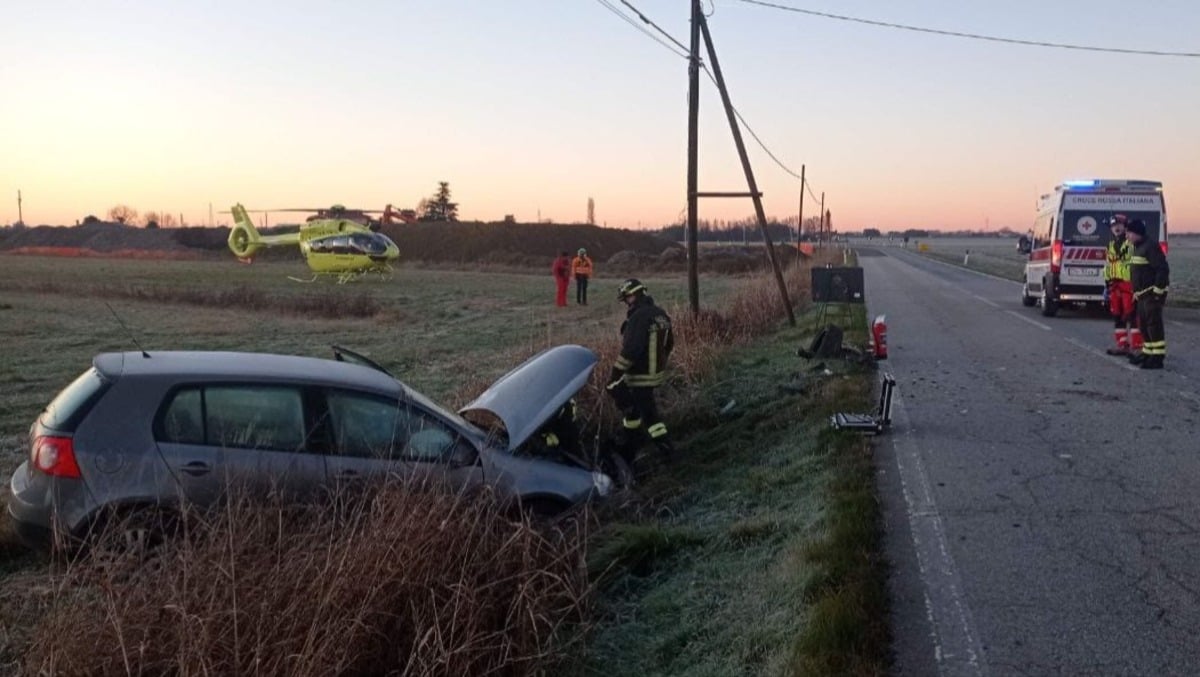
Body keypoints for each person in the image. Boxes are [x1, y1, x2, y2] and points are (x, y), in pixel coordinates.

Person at [606, 279, 675, 462]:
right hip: (655, 374)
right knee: (634, 411)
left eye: (627, 298)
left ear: (635, 295)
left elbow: (631, 350)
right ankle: (630, 445)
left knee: (649, 415)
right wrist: (659, 364)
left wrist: (615, 373)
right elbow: (669, 344)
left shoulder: (638, 318)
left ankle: (667, 450)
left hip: (639, 375)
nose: (626, 303)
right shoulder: (661, 314)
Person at [1126, 219, 1169, 369]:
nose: (1127, 236)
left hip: (1151, 294)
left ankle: (1157, 358)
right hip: (1142, 294)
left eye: (1129, 233)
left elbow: (1162, 269)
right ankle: (1148, 353)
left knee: (1153, 325)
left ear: (1137, 233)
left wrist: (1157, 292)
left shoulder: (1150, 247)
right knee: (1144, 325)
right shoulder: (1138, 247)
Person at [1103, 214, 1141, 356]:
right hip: (1115, 285)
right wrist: (1106, 283)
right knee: (1117, 316)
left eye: (1119, 225)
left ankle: (1137, 346)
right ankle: (1122, 344)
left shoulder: (1131, 243)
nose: (1116, 228)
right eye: (1113, 226)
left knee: (1132, 315)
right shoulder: (1111, 245)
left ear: (1125, 227)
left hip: (1129, 284)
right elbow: (1108, 265)